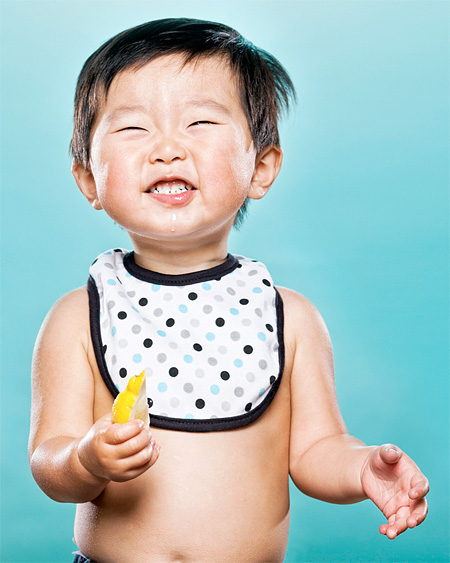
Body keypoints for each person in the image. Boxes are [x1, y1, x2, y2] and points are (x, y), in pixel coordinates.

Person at [28, 18, 429, 563]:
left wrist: (361, 469)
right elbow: (48, 460)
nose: (167, 148)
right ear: (89, 179)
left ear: (260, 167)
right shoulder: (80, 316)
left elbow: (315, 449)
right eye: (132, 130)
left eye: (199, 123)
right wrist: (84, 461)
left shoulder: (289, 317)